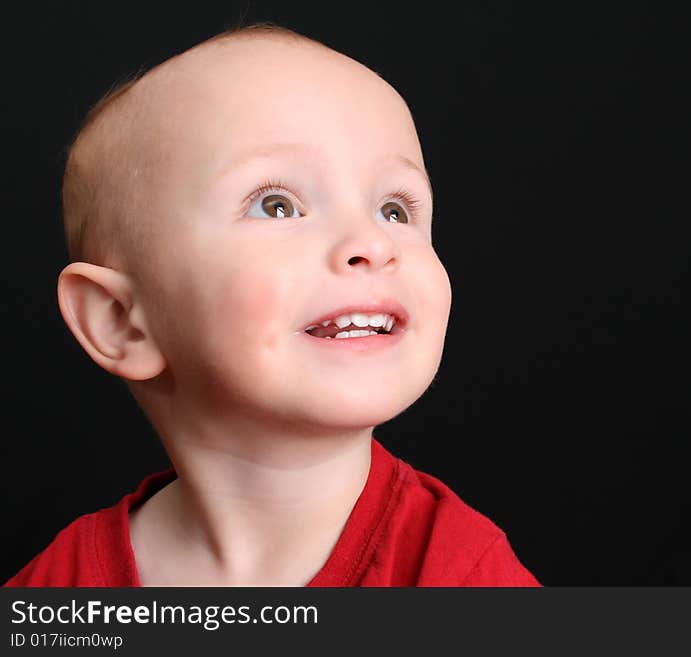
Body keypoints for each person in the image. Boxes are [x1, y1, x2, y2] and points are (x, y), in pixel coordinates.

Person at [4, 23, 539, 587]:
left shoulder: (458, 573)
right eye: (278, 205)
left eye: (395, 210)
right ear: (121, 322)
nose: (373, 244)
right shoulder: (58, 593)